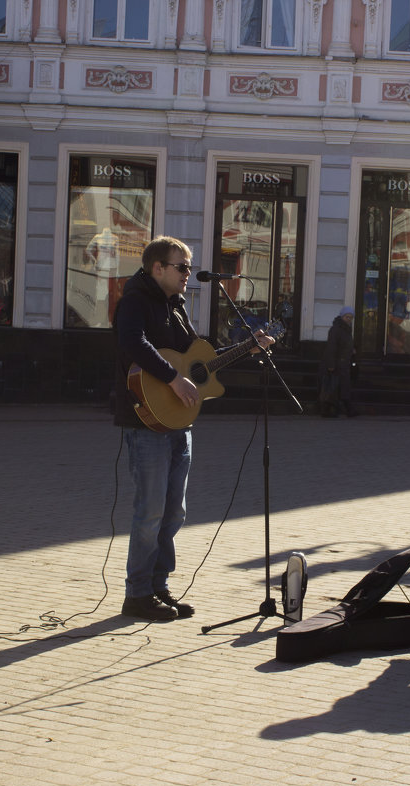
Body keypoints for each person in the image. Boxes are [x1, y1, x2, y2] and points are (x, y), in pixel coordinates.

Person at [114, 236, 274, 621]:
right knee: (150, 511)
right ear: (158, 268)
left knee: (173, 513)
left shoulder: (176, 307)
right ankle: (136, 595)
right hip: (147, 420)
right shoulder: (134, 299)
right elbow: (131, 342)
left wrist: (246, 349)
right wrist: (171, 378)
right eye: (182, 267)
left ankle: (158, 586)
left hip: (178, 421)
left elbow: (199, 363)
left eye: (188, 267)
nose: (189, 274)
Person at [319, 306, 357, 417]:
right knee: (334, 388)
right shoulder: (336, 329)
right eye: (347, 317)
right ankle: (339, 410)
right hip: (337, 364)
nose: (349, 319)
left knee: (340, 387)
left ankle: (344, 409)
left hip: (343, 363)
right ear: (342, 316)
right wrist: (331, 364)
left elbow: (345, 344)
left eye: (351, 317)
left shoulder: (346, 328)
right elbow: (331, 347)